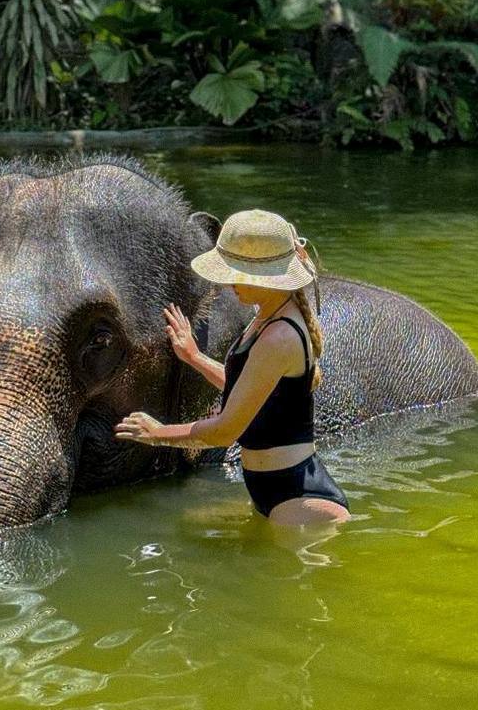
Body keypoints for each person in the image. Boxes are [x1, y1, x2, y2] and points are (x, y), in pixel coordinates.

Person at [115, 209, 351, 525]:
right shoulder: (269, 313)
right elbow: (252, 391)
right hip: (277, 492)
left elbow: (226, 431)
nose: (228, 282)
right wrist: (194, 357)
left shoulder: (279, 336)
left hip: (301, 500)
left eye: (236, 272)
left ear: (268, 276)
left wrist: (157, 433)